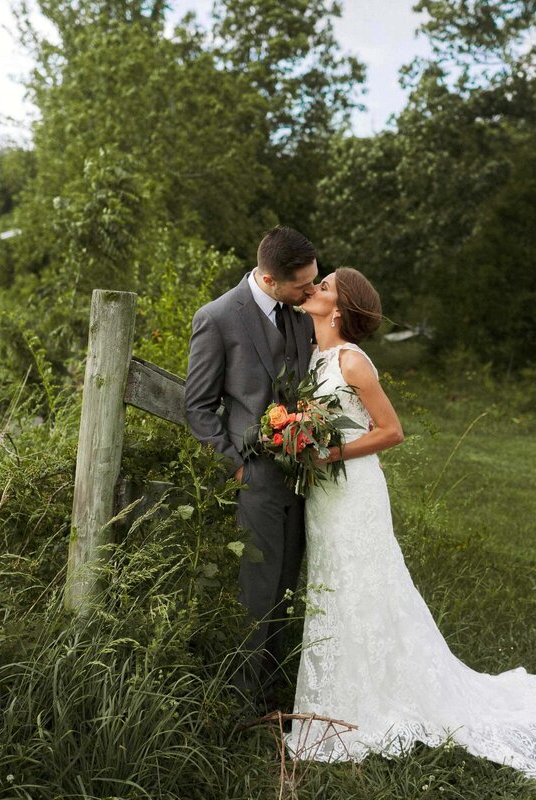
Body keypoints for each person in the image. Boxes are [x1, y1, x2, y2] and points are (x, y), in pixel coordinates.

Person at [285, 268, 536, 778]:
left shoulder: (352, 361)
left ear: (339, 308)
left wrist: (333, 452)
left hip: (354, 492)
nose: (315, 288)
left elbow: (392, 431)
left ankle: (380, 701)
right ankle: (342, 691)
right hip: (324, 498)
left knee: (369, 584)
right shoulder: (312, 356)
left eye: (325, 286)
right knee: (334, 587)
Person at [184, 226, 319, 711]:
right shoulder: (218, 318)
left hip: (306, 479)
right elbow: (198, 407)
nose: (312, 292)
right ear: (268, 278)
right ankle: (238, 705)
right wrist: (236, 469)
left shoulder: (303, 316)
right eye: (303, 285)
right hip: (255, 477)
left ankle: (274, 694)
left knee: (289, 586)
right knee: (256, 593)